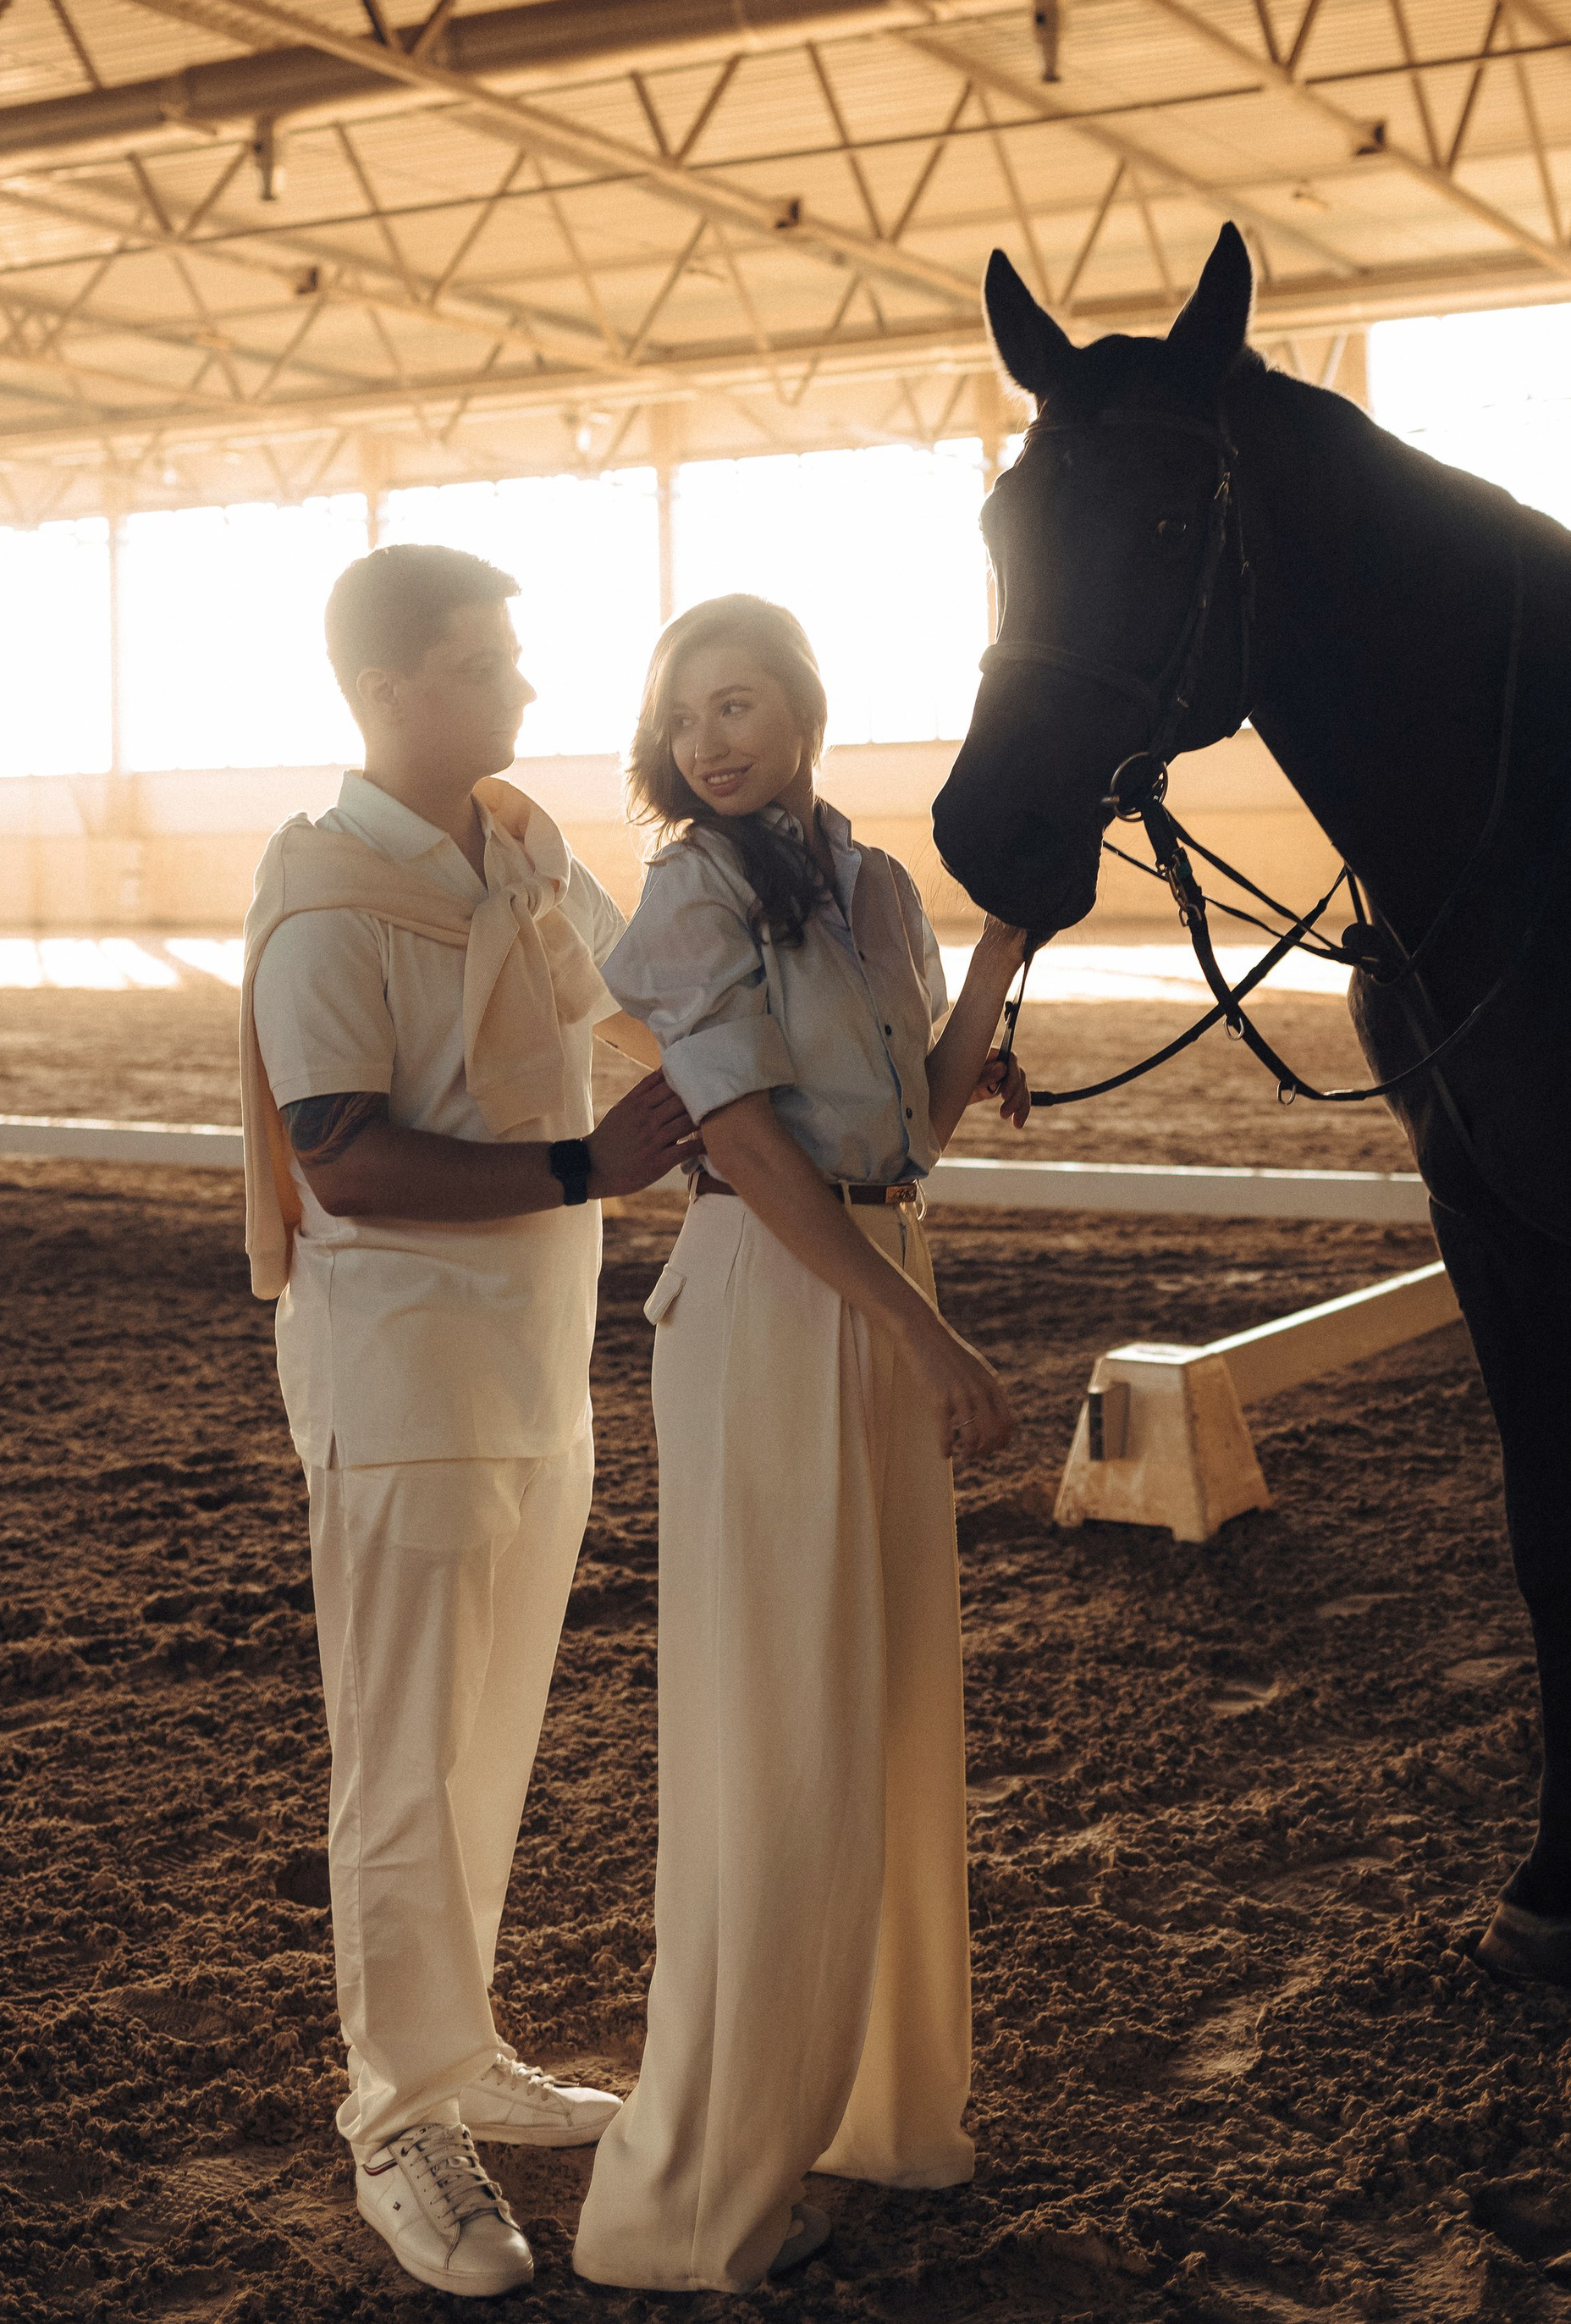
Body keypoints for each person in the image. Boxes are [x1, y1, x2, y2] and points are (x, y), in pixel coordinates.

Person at [238, 543, 700, 2299]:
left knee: (486, 1736)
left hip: (532, 1358)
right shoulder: (323, 892)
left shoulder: (516, 840)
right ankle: (393, 2115)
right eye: (482, 661)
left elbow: (629, 994)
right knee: (401, 1759)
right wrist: (592, 1163)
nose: (519, 687)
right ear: (383, 689)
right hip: (401, 1372)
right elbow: (339, 1153)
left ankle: (461, 2046)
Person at [573, 593, 1031, 2298]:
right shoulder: (689, 887)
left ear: (807, 709)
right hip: (774, 1293)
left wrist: (999, 958)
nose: (708, 740)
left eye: (739, 701)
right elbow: (752, 1142)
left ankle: (862, 2109)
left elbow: (918, 1100)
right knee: (777, 1719)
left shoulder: (877, 885)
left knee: (886, 1703)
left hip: (875, 1260)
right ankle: (693, 2193)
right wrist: (921, 1331)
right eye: (684, 712)